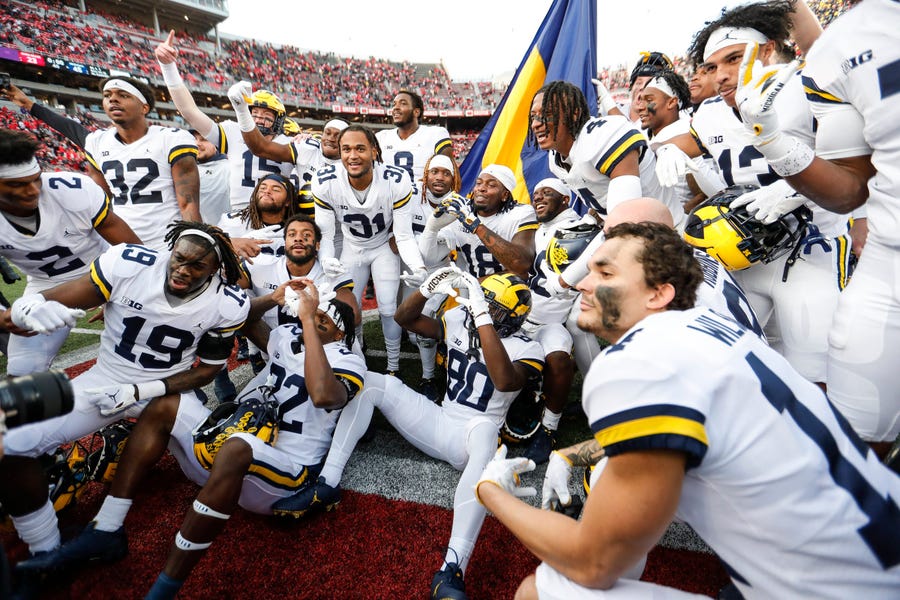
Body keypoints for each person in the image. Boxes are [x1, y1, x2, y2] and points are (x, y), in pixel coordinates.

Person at [474, 221, 900, 599]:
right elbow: (701, 425)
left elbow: (594, 564)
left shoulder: (636, 362)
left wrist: (491, 493)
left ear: (660, 293)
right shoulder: (707, 327)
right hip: (878, 548)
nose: (584, 283)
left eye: (605, 272)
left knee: (545, 588)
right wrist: (575, 452)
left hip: (844, 587)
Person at [23, 284, 364, 600]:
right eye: (316, 313)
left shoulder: (348, 360)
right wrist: (272, 298)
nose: (316, 319)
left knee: (238, 447)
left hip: (285, 477)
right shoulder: (289, 335)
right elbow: (245, 321)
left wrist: (307, 317)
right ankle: (107, 528)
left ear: (341, 333)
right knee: (167, 402)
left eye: (324, 319)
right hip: (231, 452)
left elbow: (322, 395)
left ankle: (164, 589)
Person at [1, 222, 250, 591]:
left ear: (215, 269)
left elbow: (207, 371)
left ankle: (109, 527)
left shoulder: (228, 303)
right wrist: (33, 304)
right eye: (179, 258)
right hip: (104, 379)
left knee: (225, 472)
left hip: (167, 393)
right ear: (171, 250)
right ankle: (46, 552)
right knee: (12, 440)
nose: (183, 269)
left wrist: (140, 390)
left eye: (197, 266)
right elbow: (73, 293)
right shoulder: (129, 263)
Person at [271, 267, 544, 600]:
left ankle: (453, 567)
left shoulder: (528, 349)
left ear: (514, 319)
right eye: (483, 302)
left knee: (487, 431)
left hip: (474, 440)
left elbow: (503, 380)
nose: (480, 309)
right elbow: (405, 319)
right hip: (440, 420)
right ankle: (326, 483)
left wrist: (483, 314)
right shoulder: (459, 318)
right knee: (371, 383)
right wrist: (429, 288)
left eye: (494, 308)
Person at [654, 2, 851, 387]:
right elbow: (685, 141)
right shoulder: (710, 112)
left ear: (766, 50)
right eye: (712, 67)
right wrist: (670, 149)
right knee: (734, 367)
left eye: (733, 59)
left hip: (812, 251)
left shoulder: (807, 86)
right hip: (741, 258)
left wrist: (797, 188)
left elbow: (853, 166)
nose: (722, 75)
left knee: (814, 377)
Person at [733, 0, 899, 455]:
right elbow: (848, 190)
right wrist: (772, 141)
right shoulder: (838, 49)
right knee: (853, 443)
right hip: (890, 261)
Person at [0, 129, 139, 375]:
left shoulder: (72, 189)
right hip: (45, 284)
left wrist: (124, 290)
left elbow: (130, 250)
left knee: (146, 350)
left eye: (36, 179)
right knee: (23, 368)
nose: (32, 190)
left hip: (107, 270)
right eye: (17, 184)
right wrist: (3, 318)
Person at [2, 81, 201, 248]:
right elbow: (100, 201)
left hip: (168, 239)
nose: (113, 99)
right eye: (107, 95)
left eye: (123, 95)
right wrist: (27, 103)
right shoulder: (97, 142)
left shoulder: (172, 138)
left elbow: (188, 202)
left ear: (144, 107)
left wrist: (193, 242)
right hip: (121, 239)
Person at [312, 124, 426, 374]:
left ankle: (393, 365)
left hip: (383, 247)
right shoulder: (325, 182)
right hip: (352, 247)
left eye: (360, 148)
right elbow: (327, 235)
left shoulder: (395, 180)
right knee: (350, 308)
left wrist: (417, 266)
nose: (353, 155)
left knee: (387, 308)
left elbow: (404, 235)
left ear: (374, 151)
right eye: (347, 149)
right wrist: (327, 258)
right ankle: (357, 351)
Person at [154, 31, 296, 211]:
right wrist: (168, 68)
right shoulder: (233, 131)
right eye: (255, 112)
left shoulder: (290, 143)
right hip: (239, 213)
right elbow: (189, 112)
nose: (259, 118)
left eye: (267, 116)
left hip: (277, 213)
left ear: (278, 121)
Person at [520, 178, 581, 462]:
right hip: (523, 315)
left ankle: (549, 428)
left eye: (548, 193)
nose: (538, 197)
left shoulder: (577, 228)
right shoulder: (541, 228)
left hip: (551, 321)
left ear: (565, 200)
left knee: (559, 360)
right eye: (536, 193)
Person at [406, 153, 462, 400]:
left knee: (426, 321)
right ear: (425, 174)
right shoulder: (410, 197)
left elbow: (435, 255)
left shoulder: (458, 205)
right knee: (408, 330)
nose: (439, 177)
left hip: (445, 272)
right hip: (410, 268)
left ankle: (428, 377)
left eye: (446, 173)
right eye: (435, 171)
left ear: (454, 179)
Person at [418, 164, 537, 280]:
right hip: (473, 294)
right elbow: (428, 260)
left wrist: (475, 226)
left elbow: (521, 264)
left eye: (491, 185)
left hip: (511, 294)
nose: (481, 188)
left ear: (504, 195)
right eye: (478, 183)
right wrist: (431, 228)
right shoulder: (461, 211)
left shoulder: (520, 213)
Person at [242, 215, 359, 332]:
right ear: (285, 242)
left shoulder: (331, 271)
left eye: (306, 235)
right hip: (275, 347)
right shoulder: (261, 265)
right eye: (292, 235)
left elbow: (354, 318)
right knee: (240, 313)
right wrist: (234, 248)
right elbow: (226, 287)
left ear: (318, 245)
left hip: (323, 347)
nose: (298, 239)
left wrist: (319, 309)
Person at [634, 71, 723, 211]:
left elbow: (704, 196)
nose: (640, 107)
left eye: (649, 100)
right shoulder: (648, 131)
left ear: (671, 102)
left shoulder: (685, 130)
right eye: (641, 100)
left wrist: (675, 218)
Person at [376, 89, 453, 196]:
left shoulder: (436, 134)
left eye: (403, 103)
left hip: (425, 204)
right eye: (394, 104)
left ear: (416, 112)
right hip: (390, 204)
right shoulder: (381, 137)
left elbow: (449, 172)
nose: (395, 108)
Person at [217, 174, 296, 260]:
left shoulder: (299, 228)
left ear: (288, 201)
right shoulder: (232, 221)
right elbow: (210, 249)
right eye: (262, 188)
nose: (267, 191)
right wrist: (232, 243)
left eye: (276, 189)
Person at [193, 130, 231, 226]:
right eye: (194, 139)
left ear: (217, 143)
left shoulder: (230, 168)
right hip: (192, 234)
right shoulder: (184, 168)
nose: (197, 143)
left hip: (223, 234)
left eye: (204, 140)